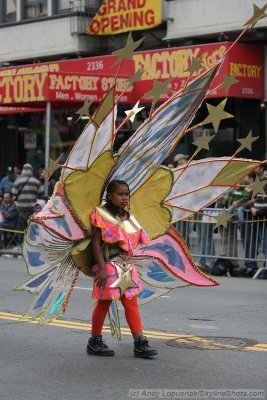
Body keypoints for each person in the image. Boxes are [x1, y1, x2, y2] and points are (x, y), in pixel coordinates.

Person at [87, 179, 158, 358]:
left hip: (126, 266)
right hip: (108, 264)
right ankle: (94, 341)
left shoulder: (127, 216)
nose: (125, 197)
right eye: (120, 194)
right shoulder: (101, 214)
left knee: (131, 303)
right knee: (104, 303)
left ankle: (139, 342)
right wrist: (102, 269)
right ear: (110, 196)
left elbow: (130, 242)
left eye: (127, 194)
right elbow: (95, 244)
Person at [12, 163, 44, 244]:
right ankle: (31, 244)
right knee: (31, 228)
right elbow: (42, 193)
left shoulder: (18, 180)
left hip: (21, 209)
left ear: (23, 170)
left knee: (21, 229)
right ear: (31, 171)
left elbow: (14, 193)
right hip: (32, 210)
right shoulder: (35, 181)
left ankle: (21, 245)